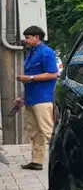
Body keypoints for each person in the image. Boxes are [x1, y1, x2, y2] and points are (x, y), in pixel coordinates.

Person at [14, 26, 59, 171]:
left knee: (47, 131)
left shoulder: (46, 52)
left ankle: (60, 161)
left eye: (27, 37)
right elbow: (30, 81)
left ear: (37, 37)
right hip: (31, 98)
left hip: (43, 99)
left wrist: (31, 77)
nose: (25, 40)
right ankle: (36, 161)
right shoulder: (31, 53)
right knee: (35, 132)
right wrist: (22, 98)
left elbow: (53, 74)